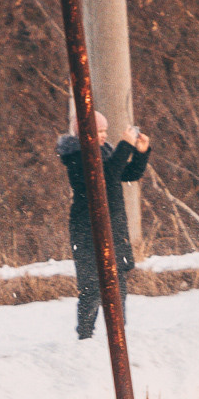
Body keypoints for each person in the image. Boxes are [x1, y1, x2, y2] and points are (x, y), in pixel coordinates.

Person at [58, 111, 151, 339]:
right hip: (88, 230)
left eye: (105, 131)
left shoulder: (105, 153)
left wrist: (140, 152)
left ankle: (118, 335)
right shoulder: (77, 156)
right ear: (85, 133)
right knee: (91, 288)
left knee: (118, 286)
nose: (104, 135)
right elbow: (105, 177)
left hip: (113, 227)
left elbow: (128, 174)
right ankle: (85, 337)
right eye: (99, 131)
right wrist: (125, 145)